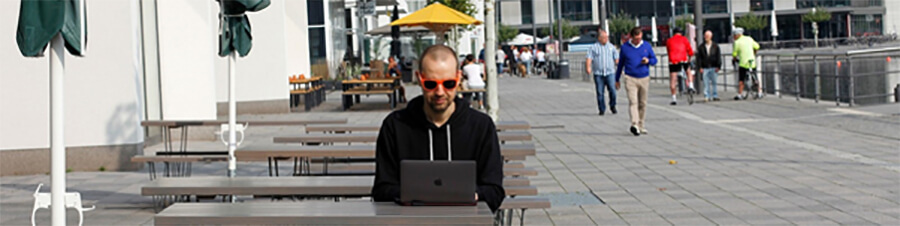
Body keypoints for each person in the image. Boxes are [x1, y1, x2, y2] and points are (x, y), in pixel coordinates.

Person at [372, 45, 505, 212]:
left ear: (458, 78)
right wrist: (420, 195)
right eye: (430, 84)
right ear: (419, 79)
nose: (440, 92)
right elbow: (381, 190)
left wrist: (470, 194)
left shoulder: (481, 126)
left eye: (449, 83)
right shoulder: (395, 126)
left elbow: (494, 191)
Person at [616, 27, 657, 136]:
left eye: (640, 38)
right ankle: (634, 124)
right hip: (630, 78)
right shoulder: (625, 48)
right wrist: (617, 79)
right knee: (633, 102)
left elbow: (654, 60)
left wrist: (648, 61)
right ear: (631, 37)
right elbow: (620, 64)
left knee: (643, 103)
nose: (638, 40)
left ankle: (641, 124)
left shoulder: (646, 46)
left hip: (644, 77)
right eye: (636, 39)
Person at [585, 30, 619, 115]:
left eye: (607, 37)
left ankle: (612, 105)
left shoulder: (611, 47)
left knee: (612, 90)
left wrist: (619, 66)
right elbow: (589, 58)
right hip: (598, 73)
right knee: (600, 92)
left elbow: (616, 58)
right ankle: (601, 109)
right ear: (599, 38)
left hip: (610, 72)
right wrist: (588, 67)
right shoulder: (593, 47)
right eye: (604, 37)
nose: (606, 39)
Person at [665, 27, 695, 105]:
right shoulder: (684, 39)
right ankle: (691, 85)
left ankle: (674, 98)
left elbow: (668, 50)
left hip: (673, 61)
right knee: (688, 71)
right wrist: (690, 57)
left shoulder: (669, 40)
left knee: (673, 79)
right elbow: (690, 51)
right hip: (683, 59)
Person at [732, 27, 761, 100]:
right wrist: (754, 53)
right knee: (755, 77)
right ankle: (759, 91)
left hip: (743, 63)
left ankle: (740, 94)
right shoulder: (749, 38)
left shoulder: (737, 42)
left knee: (741, 79)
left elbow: (734, 54)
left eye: (734, 35)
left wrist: (735, 59)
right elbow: (757, 46)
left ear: (738, 35)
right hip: (752, 62)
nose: (734, 37)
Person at [697, 30, 722, 102]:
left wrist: (718, 66)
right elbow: (699, 58)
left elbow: (718, 56)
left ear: (711, 36)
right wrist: (700, 67)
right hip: (705, 67)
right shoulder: (701, 47)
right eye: (705, 36)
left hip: (714, 66)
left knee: (714, 82)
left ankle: (715, 95)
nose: (706, 37)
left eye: (707, 36)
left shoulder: (715, 46)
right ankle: (706, 96)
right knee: (705, 83)